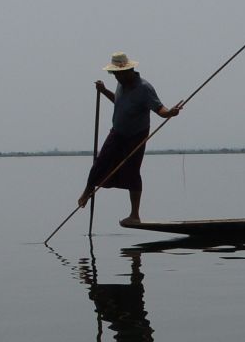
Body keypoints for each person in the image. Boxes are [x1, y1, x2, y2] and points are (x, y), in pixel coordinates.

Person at [77, 51, 182, 226]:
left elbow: (159, 109)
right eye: (114, 74)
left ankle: (135, 214)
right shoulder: (121, 84)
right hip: (117, 131)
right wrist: (103, 91)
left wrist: (170, 113)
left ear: (129, 70)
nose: (116, 77)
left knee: (133, 171)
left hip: (136, 134)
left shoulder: (144, 88)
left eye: (118, 73)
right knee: (100, 162)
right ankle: (87, 191)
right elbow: (119, 102)